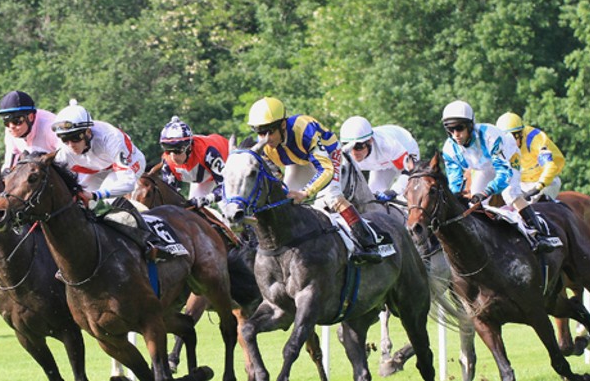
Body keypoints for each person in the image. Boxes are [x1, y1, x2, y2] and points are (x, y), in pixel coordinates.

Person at [247, 96, 382, 264]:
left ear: (282, 125)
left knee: (332, 197)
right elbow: (276, 180)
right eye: (260, 132)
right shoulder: (265, 146)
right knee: (283, 202)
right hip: (299, 161)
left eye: (269, 132)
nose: (265, 138)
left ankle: (369, 243)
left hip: (329, 156)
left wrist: (305, 192)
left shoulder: (304, 129)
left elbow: (326, 168)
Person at [51, 99, 167, 260]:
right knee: (77, 203)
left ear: (88, 132)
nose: (71, 144)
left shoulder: (110, 138)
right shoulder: (63, 150)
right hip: (95, 169)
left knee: (106, 199)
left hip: (130, 163)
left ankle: (152, 242)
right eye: (65, 139)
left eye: (75, 138)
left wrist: (96, 195)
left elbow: (127, 184)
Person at [441, 100, 560, 253]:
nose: (455, 134)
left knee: (510, 194)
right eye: (450, 129)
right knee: (472, 204)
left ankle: (540, 234)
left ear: (470, 125)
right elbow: (454, 183)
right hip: (484, 167)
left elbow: (504, 174)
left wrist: (485, 192)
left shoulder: (490, 136)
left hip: (508, 161)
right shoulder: (449, 149)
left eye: (459, 128)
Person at [339, 116, 420, 201]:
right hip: (380, 163)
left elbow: (410, 170)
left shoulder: (387, 145)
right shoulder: (344, 154)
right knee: (373, 196)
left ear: (370, 141)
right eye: (350, 147)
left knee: (403, 196)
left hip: (405, 151)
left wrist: (395, 191)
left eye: (359, 146)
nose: (354, 152)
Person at [159, 116, 229, 210]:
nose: (172, 156)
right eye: (167, 149)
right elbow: (170, 196)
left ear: (189, 147)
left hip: (229, 161)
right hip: (204, 177)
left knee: (228, 208)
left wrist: (208, 199)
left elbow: (226, 187)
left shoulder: (208, 153)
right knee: (193, 210)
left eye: (177, 150)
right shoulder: (167, 161)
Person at [496, 112, 565, 202]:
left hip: (547, 182)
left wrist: (538, 187)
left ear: (520, 134)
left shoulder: (535, 139)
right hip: (522, 183)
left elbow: (550, 166)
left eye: (512, 138)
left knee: (537, 204)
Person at [0, 90, 61, 172]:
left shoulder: (50, 128)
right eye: (6, 122)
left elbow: (68, 161)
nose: (11, 127)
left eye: (16, 121)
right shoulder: (10, 131)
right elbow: (9, 166)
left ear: (30, 117)